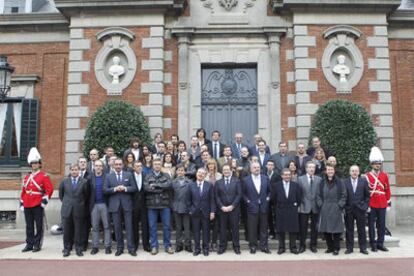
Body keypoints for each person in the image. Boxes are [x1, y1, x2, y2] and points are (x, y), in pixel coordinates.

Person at [20, 148, 54, 253]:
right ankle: (29, 244)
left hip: (38, 203)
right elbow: (24, 191)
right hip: (27, 203)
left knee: (39, 225)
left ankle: (37, 244)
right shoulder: (27, 177)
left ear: (39, 164)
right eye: (32, 163)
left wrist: (44, 202)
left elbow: (50, 189)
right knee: (29, 225)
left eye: (36, 163)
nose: (34, 165)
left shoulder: (44, 176)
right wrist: (21, 202)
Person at [104, 158, 137, 256]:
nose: (118, 166)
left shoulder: (129, 175)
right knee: (117, 228)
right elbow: (105, 190)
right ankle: (120, 248)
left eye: (120, 164)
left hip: (127, 205)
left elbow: (134, 188)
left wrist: (125, 188)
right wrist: (114, 189)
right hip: (114, 206)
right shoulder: (108, 176)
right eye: (116, 164)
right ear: (113, 166)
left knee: (129, 227)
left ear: (123, 165)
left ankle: (131, 248)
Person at [144, 158, 174, 255]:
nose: (157, 166)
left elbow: (169, 185)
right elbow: (146, 188)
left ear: (161, 165)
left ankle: (168, 245)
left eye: (158, 164)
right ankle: (154, 246)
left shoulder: (166, 175)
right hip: (151, 205)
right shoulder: (147, 175)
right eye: (155, 164)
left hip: (164, 204)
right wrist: (161, 187)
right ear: (152, 165)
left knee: (167, 226)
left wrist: (155, 186)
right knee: (152, 227)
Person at [60, 163, 90, 257]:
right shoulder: (64, 181)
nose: (74, 171)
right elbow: (61, 195)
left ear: (79, 171)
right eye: (72, 170)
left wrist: (79, 203)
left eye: (76, 170)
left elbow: (86, 196)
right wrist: (67, 203)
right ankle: (67, 248)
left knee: (79, 230)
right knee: (66, 231)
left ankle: (79, 248)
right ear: (70, 171)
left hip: (79, 209)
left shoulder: (84, 182)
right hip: (67, 209)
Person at [317, 164, 347, 255]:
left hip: (336, 207)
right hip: (325, 207)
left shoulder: (340, 182)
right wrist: (321, 205)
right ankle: (330, 247)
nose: (330, 171)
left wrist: (340, 205)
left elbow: (344, 194)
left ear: (334, 171)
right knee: (326, 230)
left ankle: (336, 248)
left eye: (331, 170)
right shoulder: (322, 182)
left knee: (336, 230)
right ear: (326, 171)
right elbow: (318, 195)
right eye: (328, 170)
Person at [366, 146, 391, 252]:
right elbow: (366, 192)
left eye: (379, 163)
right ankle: (373, 244)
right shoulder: (367, 176)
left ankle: (380, 243)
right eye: (376, 163)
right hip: (372, 203)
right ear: (372, 164)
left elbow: (387, 189)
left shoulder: (384, 175)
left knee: (381, 225)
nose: (378, 165)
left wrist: (388, 203)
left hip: (382, 203)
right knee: (371, 225)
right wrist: (366, 204)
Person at [243, 162, 271, 254]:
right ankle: (253, 246)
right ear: (251, 169)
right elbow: (243, 194)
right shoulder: (245, 180)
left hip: (263, 207)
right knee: (252, 228)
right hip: (251, 207)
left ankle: (264, 246)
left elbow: (270, 191)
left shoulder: (265, 178)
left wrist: (267, 199)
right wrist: (248, 201)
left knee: (264, 228)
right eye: (254, 167)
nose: (257, 169)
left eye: (258, 167)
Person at [272, 169, 301, 255]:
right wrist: (278, 206)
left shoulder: (295, 185)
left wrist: (295, 206)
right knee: (281, 230)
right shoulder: (276, 185)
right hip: (281, 210)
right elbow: (273, 199)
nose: (287, 176)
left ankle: (293, 247)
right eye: (285, 175)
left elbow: (299, 198)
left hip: (292, 210)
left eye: (289, 175)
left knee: (293, 230)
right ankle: (281, 247)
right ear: (282, 176)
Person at [215, 164, 242, 255]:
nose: (226, 171)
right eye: (224, 170)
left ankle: (236, 247)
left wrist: (232, 206)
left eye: (227, 170)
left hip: (234, 209)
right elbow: (217, 196)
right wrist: (222, 206)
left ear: (231, 170)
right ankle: (222, 247)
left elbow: (239, 195)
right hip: (222, 210)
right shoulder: (218, 182)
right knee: (222, 229)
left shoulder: (237, 181)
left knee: (235, 229)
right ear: (222, 171)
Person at [189, 168, 216, 256]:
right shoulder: (191, 185)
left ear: (205, 175)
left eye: (203, 173)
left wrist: (212, 211)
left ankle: (206, 249)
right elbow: (188, 200)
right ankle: (197, 249)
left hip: (206, 212)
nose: (200, 174)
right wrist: (191, 210)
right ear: (196, 174)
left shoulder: (209, 185)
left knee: (206, 231)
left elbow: (212, 199)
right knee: (196, 232)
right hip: (195, 213)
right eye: (199, 173)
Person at [344, 165, 370, 255]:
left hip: (360, 210)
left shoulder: (363, 182)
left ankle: (363, 248)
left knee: (361, 230)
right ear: (349, 172)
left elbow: (367, 196)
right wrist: (345, 207)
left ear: (358, 172)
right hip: (349, 210)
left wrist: (365, 206)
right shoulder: (345, 182)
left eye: (356, 171)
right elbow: (343, 195)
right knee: (349, 230)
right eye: (352, 171)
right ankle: (349, 248)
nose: (354, 172)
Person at [297, 161, 322, 253]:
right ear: (306, 168)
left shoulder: (319, 179)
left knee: (314, 228)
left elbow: (320, 193)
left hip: (315, 207)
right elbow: (298, 193)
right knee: (303, 227)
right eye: (310, 167)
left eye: (313, 168)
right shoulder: (300, 179)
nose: (312, 169)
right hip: (304, 206)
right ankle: (302, 246)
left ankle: (313, 245)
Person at [89, 160, 112, 255]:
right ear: (94, 167)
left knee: (107, 226)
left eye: (100, 166)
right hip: (94, 205)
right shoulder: (90, 178)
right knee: (95, 227)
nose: (98, 167)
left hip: (104, 204)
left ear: (102, 167)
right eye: (96, 165)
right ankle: (95, 246)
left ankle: (107, 246)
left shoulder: (107, 177)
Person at [171, 164, 193, 253]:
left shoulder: (190, 182)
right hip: (176, 207)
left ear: (185, 172)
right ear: (176, 172)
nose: (180, 172)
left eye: (182, 170)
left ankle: (188, 245)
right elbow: (170, 196)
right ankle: (179, 245)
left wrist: (191, 207)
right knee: (178, 227)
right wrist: (172, 205)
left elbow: (192, 196)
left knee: (187, 228)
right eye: (179, 170)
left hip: (187, 208)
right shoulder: (173, 182)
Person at [131, 160, 150, 253]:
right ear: (133, 167)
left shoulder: (146, 176)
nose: (139, 167)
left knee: (145, 226)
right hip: (133, 206)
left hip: (144, 205)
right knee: (134, 226)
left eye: (140, 166)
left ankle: (146, 245)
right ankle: (135, 245)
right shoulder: (130, 176)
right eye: (137, 166)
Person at [204, 158, 222, 252]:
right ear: (207, 166)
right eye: (209, 164)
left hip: (218, 202)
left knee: (216, 224)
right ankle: (207, 242)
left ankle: (214, 242)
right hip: (207, 203)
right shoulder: (204, 176)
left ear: (215, 165)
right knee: (206, 224)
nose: (211, 166)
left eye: (213, 164)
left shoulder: (219, 176)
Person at [266, 160, 281, 240]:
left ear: (274, 167)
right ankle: (271, 232)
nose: (270, 166)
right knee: (268, 217)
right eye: (269, 165)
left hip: (275, 199)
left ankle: (278, 233)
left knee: (277, 216)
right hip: (266, 199)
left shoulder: (277, 175)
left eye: (272, 165)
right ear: (266, 166)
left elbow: (279, 187)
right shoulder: (263, 174)